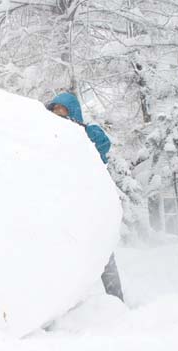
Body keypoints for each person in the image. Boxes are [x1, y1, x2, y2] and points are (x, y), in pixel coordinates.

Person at [46, 92, 124, 302]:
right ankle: (64, 305)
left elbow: (103, 146)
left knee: (104, 254)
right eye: (55, 113)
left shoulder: (87, 135)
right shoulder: (51, 139)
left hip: (91, 206)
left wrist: (82, 130)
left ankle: (116, 300)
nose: (58, 117)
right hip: (66, 208)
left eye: (63, 112)